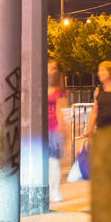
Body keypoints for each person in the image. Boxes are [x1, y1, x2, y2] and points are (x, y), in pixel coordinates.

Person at [47, 60, 68, 203]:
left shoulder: (60, 91)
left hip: (53, 129)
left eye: (54, 68)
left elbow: (62, 111)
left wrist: (63, 132)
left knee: (53, 161)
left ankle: (54, 191)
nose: (51, 70)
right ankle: (45, 190)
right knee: (41, 162)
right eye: (49, 68)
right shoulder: (37, 87)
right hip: (38, 130)